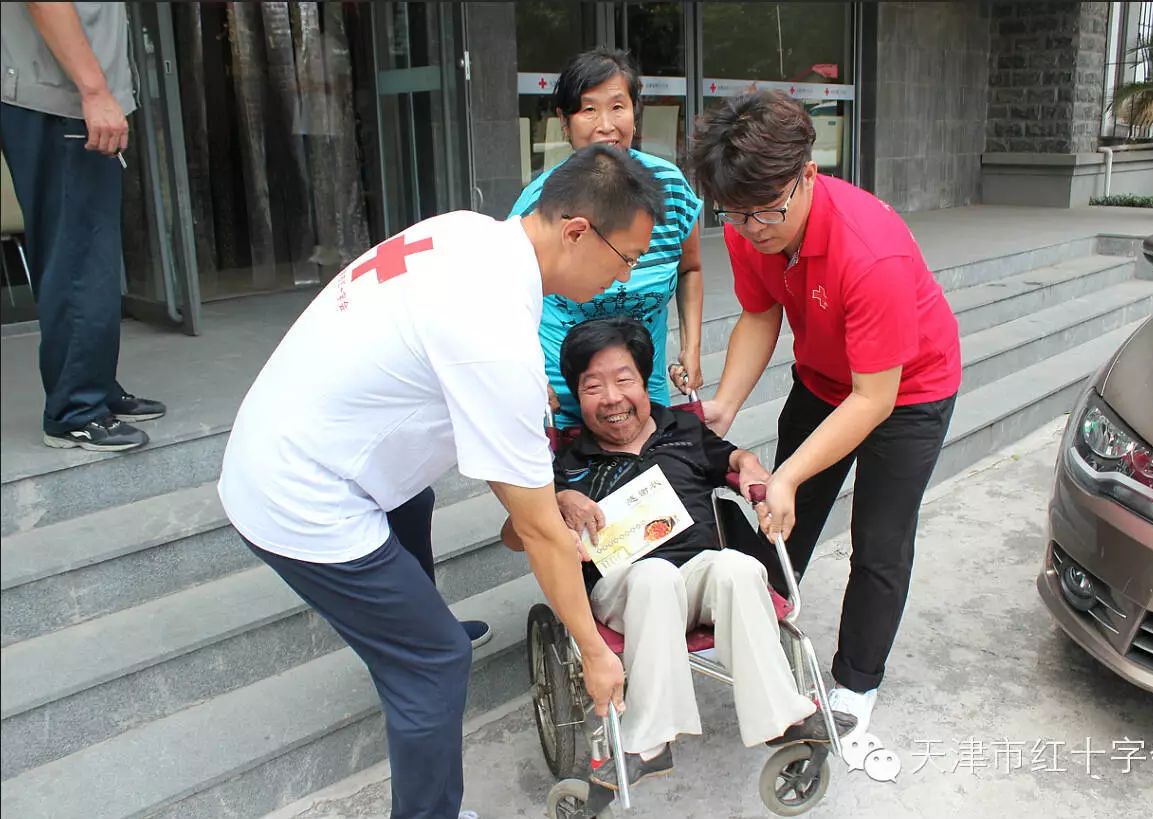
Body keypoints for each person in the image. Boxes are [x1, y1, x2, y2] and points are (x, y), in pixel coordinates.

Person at [217, 145, 663, 819]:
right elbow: (540, 532)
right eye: (624, 257)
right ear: (577, 231)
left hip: (290, 432)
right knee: (434, 663)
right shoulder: (495, 335)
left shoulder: (466, 231)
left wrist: (540, 486)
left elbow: (507, 462)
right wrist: (595, 651)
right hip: (301, 493)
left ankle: (412, 628)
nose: (624, 276)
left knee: (414, 504)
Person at [687, 91, 961, 739]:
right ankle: (751, 623)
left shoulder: (871, 252)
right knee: (785, 511)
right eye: (736, 214)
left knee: (880, 538)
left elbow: (874, 399)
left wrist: (786, 473)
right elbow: (760, 314)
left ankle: (857, 681)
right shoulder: (749, 220)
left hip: (908, 390)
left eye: (767, 210)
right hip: (823, 377)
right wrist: (725, 403)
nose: (753, 228)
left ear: (808, 173)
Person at [501, 317, 856, 791]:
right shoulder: (568, 464)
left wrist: (749, 465)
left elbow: (733, 460)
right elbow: (515, 535)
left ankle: (784, 718)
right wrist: (556, 501)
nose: (612, 398)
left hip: (700, 576)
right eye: (593, 387)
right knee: (654, 576)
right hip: (624, 589)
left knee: (738, 566)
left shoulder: (683, 429)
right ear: (577, 397)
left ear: (644, 382)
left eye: (623, 380)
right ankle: (648, 742)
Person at [510, 47, 705, 426]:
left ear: (635, 111)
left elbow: (690, 268)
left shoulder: (669, 188)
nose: (605, 125)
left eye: (618, 107)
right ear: (564, 121)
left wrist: (691, 348)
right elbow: (511, 297)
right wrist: (528, 376)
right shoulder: (539, 205)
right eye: (588, 109)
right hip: (562, 395)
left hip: (643, 387)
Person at [1, 2, 164, 452]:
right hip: (59, 100)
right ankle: (75, 410)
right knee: (76, 257)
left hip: (67, 98)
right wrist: (93, 91)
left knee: (89, 253)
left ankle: (95, 387)